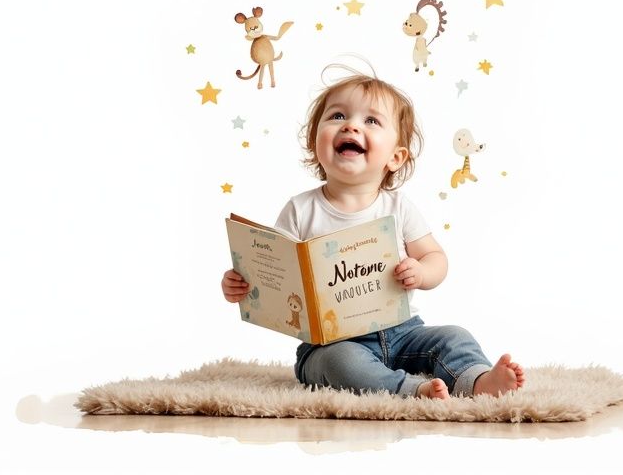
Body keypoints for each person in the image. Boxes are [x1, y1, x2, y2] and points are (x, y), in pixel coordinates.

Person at [220, 70, 524, 399]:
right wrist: (244, 283)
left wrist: (422, 272)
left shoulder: (398, 207)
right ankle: (412, 391)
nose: (351, 126)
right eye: (337, 116)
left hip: (403, 333)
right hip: (331, 343)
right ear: (314, 141)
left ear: (395, 157)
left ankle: (477, 380)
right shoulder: (300, 210)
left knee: (454, 336)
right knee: (340, 363)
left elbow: (436, 258)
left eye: (371, 121)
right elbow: (276, 272)